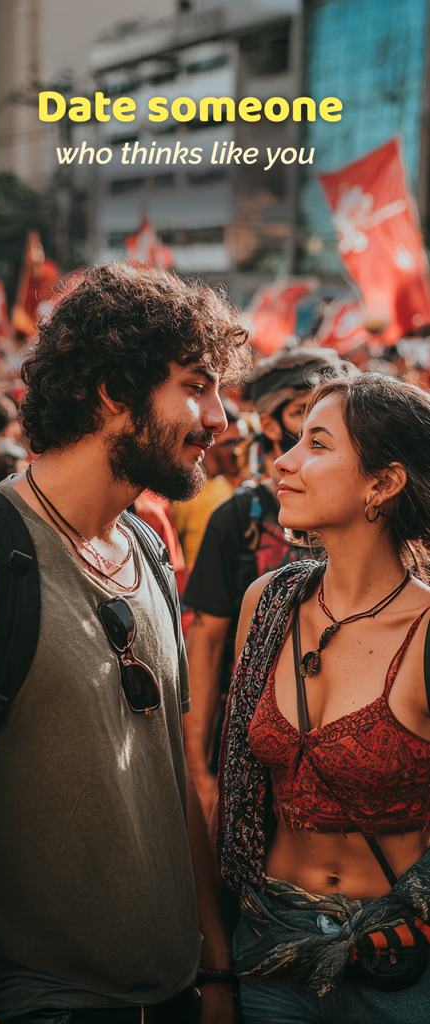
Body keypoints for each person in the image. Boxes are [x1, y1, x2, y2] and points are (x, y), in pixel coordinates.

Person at [0, 262, 251, 1024]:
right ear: (114, 391)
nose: (220, 418)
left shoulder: (148, 549)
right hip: (40, 1001)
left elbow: (173, 778)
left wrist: (214, 967)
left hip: (176, 992)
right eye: (196, 384)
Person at [217, 372, 430, 1024]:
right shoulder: (267, 604)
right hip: (268, 940)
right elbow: (229, 784)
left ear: (382, 483)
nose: (283, 458)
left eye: (316, 442)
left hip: (394, 953)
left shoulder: (424, 631)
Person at [183, 348, 346, 819]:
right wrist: (200, 771)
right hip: (253, 760)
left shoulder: (384, 534)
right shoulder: (238, 519)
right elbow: (208, 645)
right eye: (302, 415)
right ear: (271, 425)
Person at [172, 406, 244, 569]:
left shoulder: (228, 486)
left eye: (241, 441)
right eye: (230, 443)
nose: (238, 451)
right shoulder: (185, 492)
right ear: (209, 444)